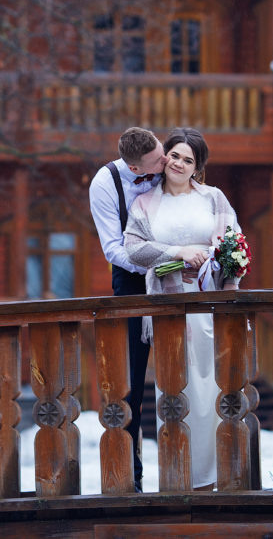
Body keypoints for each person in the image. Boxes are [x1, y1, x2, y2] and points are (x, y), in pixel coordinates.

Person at [123, 126, 241, 491]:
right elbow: (134, 249)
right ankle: (179, 477)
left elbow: (233, 243)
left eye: (188, 160)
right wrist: (177, 254)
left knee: (213, 388)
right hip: (168, 307)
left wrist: (218, 270)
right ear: (165, 157)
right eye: (174, 155)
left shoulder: (213, 199)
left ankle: (217, 475)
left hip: (209, 303)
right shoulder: (145, 203)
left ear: (197, 167)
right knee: (176, 389)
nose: (178, 163)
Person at [88, 126, 166, 491]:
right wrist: (159, 265)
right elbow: (113, 249)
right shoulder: (105, 185)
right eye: (156, 161)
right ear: (136, 169)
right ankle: (129, 474)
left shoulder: (168, 164)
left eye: (163, 152)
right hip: (134, 281)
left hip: (185, 277)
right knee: (131, 380)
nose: (165, 162)